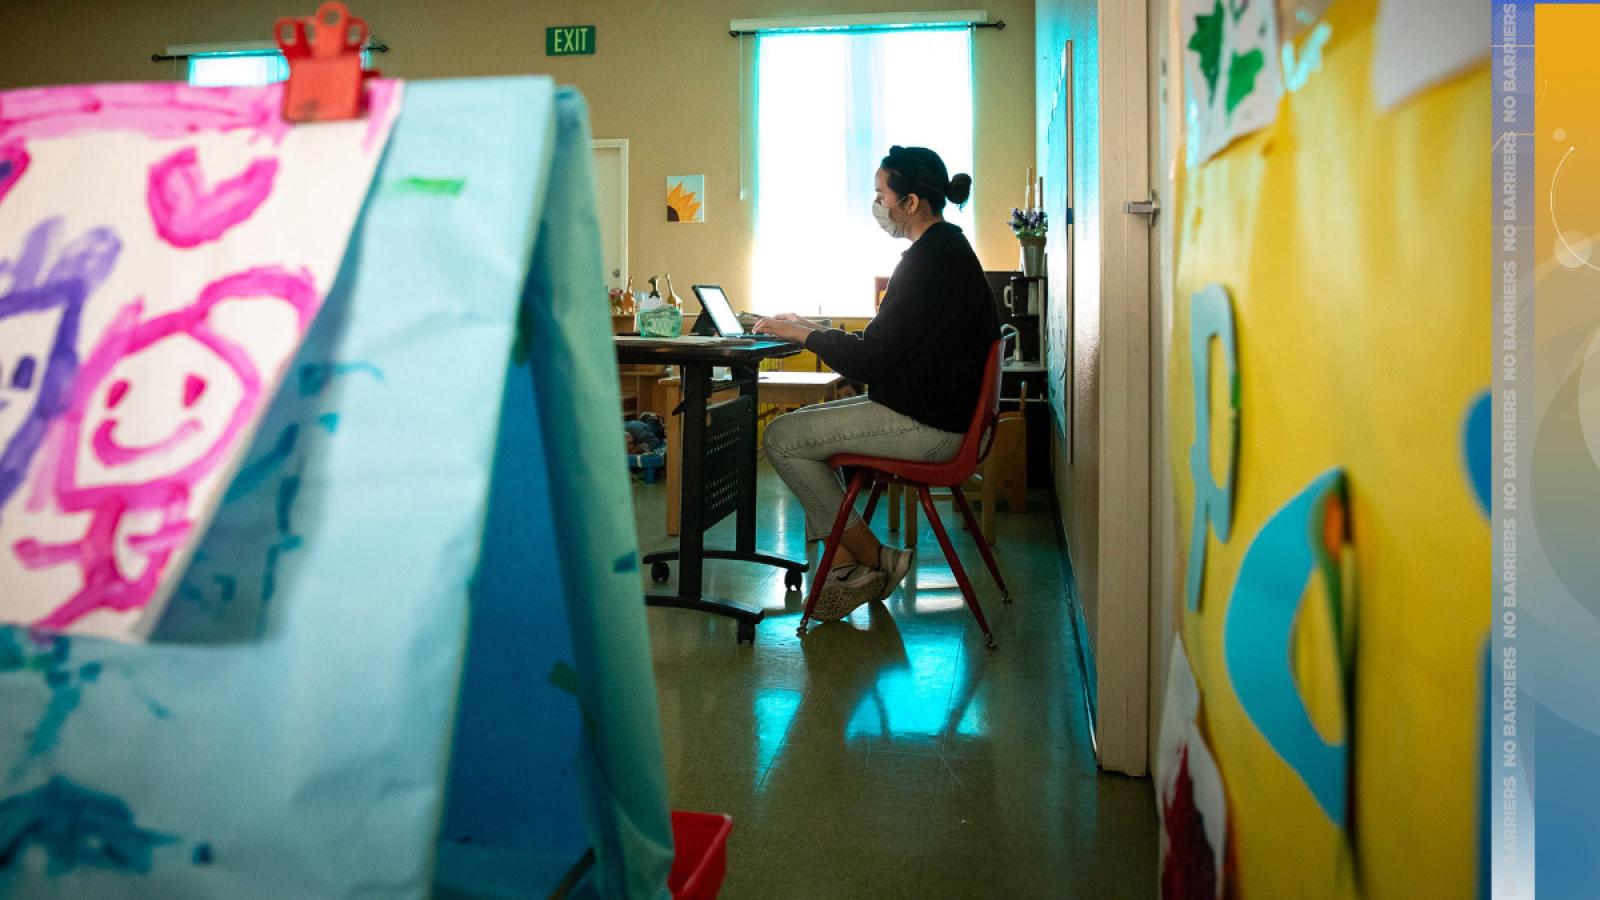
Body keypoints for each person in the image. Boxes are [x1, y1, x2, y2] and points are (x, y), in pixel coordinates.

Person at [754, 145, 1000, 622]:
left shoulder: (928, 262)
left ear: (910, 202)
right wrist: (811, 325)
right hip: (937, 415)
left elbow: (873, 359)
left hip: (931, 429)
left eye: (880, 194)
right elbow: (886, 345)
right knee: (804, 434)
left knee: (782, 438)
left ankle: (873, 559)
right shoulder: (945, 251)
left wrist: (805, 334)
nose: (877, 205)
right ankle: (845, 569)